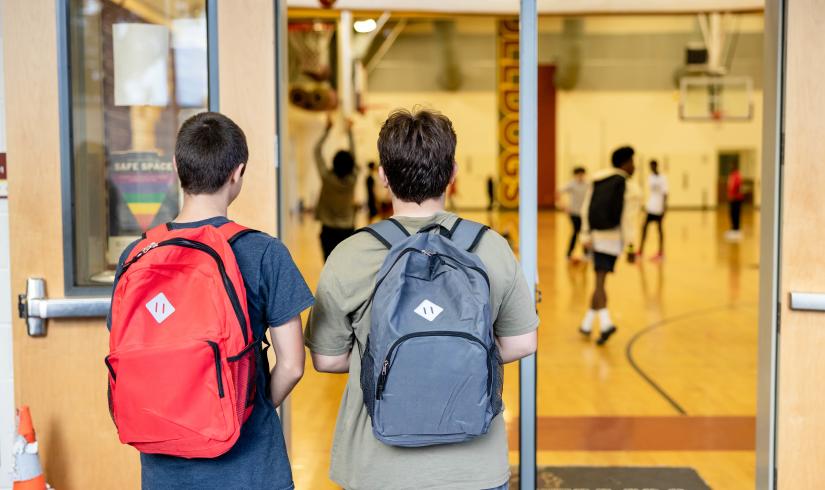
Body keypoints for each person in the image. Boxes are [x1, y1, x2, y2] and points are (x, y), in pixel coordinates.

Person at [305, 108, 539, 490]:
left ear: (382, 176)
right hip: (475, 469)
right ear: (452, 173)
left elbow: (327, 358)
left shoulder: (350, 255)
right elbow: (523, 341)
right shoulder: (491, 247)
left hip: (377, 470)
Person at [109, 112, 313, 489]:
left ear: (176, 166)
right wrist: (246, 407)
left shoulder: (137, 255)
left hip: (163, 466)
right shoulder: (264, 252)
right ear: (238, 172)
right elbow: (293, 364)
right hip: (249, 465)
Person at [579, 146, 639, 345]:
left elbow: (586, 209)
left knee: (599, 281)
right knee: (599, 282)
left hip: (595, 236)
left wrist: (585, 235)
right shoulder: (629, 186)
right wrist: (631, 248)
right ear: (625, 163)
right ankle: (605, 323)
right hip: (612, 239)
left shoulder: (597, 179)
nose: (634, 166)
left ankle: (587, 324)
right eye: (632, 162)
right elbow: (628, 220)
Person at [315, 114, 358, 260]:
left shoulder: (327, 178)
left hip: (328, 230)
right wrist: (350, 132)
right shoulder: (352, 179)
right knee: (345, 265)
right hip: (347, 229)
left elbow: (317, 151)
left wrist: (327, 130)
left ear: (333, 163)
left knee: (328, 265)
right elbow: (354, 155)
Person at [556, 166, 588, 262]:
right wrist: (563, 206)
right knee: (576, 232)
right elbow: (558, 192)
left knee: (584, 233)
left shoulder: (588, 184)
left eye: (582, 174)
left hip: (584, 214)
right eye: (578, 174)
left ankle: (586, 254)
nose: (580, 176)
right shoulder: (572, 184)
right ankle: (569, 254)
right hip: (574, 213)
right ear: (575, 175)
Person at [638, 159, 668, 260]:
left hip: (659, 208)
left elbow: (665, 194)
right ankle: (640, 251)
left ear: (656, 166)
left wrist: (664, 208)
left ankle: (661, 252)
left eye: (652, 166)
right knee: (644, 228)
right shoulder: (650, 177)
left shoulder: (663, 178)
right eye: (650, 166)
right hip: (651, 207)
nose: (651, 168)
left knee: (659, 230)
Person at [725, 162, 744, 241]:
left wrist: (734, 195)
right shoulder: (732, 175)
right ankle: (733, 228)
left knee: (736, 214)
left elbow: (737, 186)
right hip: (732, 198)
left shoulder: (737, 175)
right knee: (732, 214)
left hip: (736, 198)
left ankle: (736, 229)